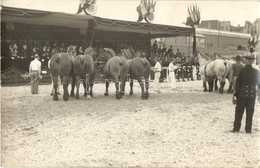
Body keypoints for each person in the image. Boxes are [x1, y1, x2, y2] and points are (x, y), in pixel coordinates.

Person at [230, 55, 260, 134]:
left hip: (242, 94)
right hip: (252, 95)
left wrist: (235, 94)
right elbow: (259, 85)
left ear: (246, 61)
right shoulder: (256, 72)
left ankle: (236, 129)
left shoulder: (242, 71)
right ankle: (248, 130)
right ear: (252, 62)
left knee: (239, 111)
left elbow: (238, 83)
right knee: (250, 112)